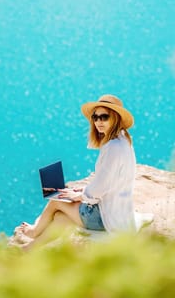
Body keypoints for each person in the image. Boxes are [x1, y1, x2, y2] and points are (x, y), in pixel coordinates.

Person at [13, 94, 137, 248]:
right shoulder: (123, 140)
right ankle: (30, 249)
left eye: (104, 117)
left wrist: (80, 195)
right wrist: (82, 191)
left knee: (55, 200)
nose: (98, 122)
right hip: (119, 216)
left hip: (105, 217)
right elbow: (109, 181)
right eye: (95, 117)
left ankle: (33, 231)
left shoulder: (113, 147)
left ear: (116, 118)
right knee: (60, 218)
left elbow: (99, 188)